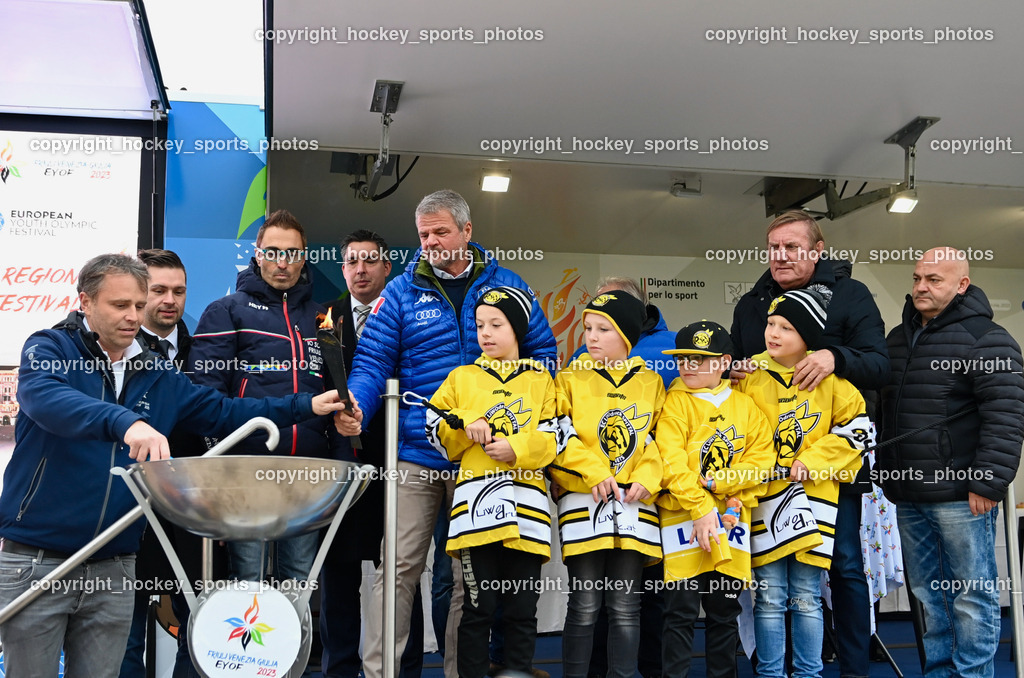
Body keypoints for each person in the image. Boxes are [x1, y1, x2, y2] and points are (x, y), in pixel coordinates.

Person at [0, 253, 348, 678]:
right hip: (39, 561)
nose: (133, 315)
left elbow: (224, 410)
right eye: (119, 305)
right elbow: (45, 400)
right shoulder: (50, 347)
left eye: (137, 304)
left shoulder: (157, 373)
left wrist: (306, 405)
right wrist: (126, 423)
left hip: (116, 563)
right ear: (85, 302)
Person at [337, 189, 557, 678]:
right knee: (397, 570)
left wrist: (518, 433)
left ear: (467, 231)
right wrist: (357, 404)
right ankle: (380, 673)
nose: (431, 242)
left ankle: (462, 672)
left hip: (485, 464)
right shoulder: (399, 291)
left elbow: (543, 355)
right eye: (423, 235)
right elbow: (373, 361)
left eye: (440, 232)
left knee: (463, 581)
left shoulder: (508, 283)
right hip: (416, 453)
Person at [730, 209, 888, 678]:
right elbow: (737, 375)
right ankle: (769, 664)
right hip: (767, 478)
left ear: (817, 251)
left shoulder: (851, 294)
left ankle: (854, 670)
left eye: (792, 247)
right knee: (770, 583)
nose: (781, 256)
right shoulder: (751, 304)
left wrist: (833, 355)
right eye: (774, 247)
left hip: (832, 472)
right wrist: (734, 373)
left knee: (843, 568)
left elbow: (881, 367)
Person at [878, 247, 1024, 678]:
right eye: (917, 278)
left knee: (971, 596)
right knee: (928, 595)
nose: (921, 287)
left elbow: (1008, 414)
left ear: (962, 284)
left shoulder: (989, 339)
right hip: (907, 493)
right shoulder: (897, 338)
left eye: (934, 279)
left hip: (963, 495)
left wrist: (988, 481)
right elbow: (881, 408)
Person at [190, 209, 342, 585]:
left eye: (292, 253)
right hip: (246, 474)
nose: (282, 262)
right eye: (272, 251)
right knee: (248, 584)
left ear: (304, 258)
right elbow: (206, 402)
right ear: (257, 254)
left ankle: (296, 647)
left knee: (299, 584)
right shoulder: (226, 311)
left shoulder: (323, 318)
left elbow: (339, 395)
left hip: (308, 473)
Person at [425, 286, 557, 678]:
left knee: (521, 608)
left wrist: (517, 448)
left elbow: (556, 436)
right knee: (478, 607)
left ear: (517, 329)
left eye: (496, 324)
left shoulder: (541, 379)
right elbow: (433, 425)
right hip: (475, 513)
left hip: (528, 511)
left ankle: (517, 671)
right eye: (480, 325)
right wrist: (466, 423)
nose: (486, 333)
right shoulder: (461, 377)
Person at [318, 230, 424, 678]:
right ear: (342, 269)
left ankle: (406, 668)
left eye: (369, 261)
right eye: (351, 262)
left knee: (401, 571)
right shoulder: (325, 319)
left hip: (399, 460)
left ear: (387, 268)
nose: (360, 270)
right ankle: (340, 669)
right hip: (342, 462)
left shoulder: (409, 316)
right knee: (339, 571)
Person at [547, 291, 665, 678]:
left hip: (635, 506)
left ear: (628, 337)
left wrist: (647, 479)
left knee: (627, 606)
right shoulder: (568, 379)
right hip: (583, 502)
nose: (591, 336)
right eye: (587, 328)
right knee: (583, 603)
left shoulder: (650, 383)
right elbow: (558, 434)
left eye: (604, 329)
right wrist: (594, 472)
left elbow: (661, 441)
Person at [655, 320, 775, 678]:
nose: (688, 366)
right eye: (683, 358)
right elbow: (670, 462)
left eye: (700, 359)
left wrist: (722, 483)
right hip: (683, 518)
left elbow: (762, 460)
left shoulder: (746, 405)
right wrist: (702, 505)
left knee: (724, 612)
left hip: (731, 520)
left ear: (724, 361)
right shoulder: (673, 402)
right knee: (679, 612)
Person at [121, 249, 212, 678]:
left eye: (178, 291)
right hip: (128, 512)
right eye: (158, 290)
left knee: (199, 626)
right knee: (124, 630)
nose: (169, 300)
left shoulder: (208, 352)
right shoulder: (106, 354)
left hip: (192, 512)